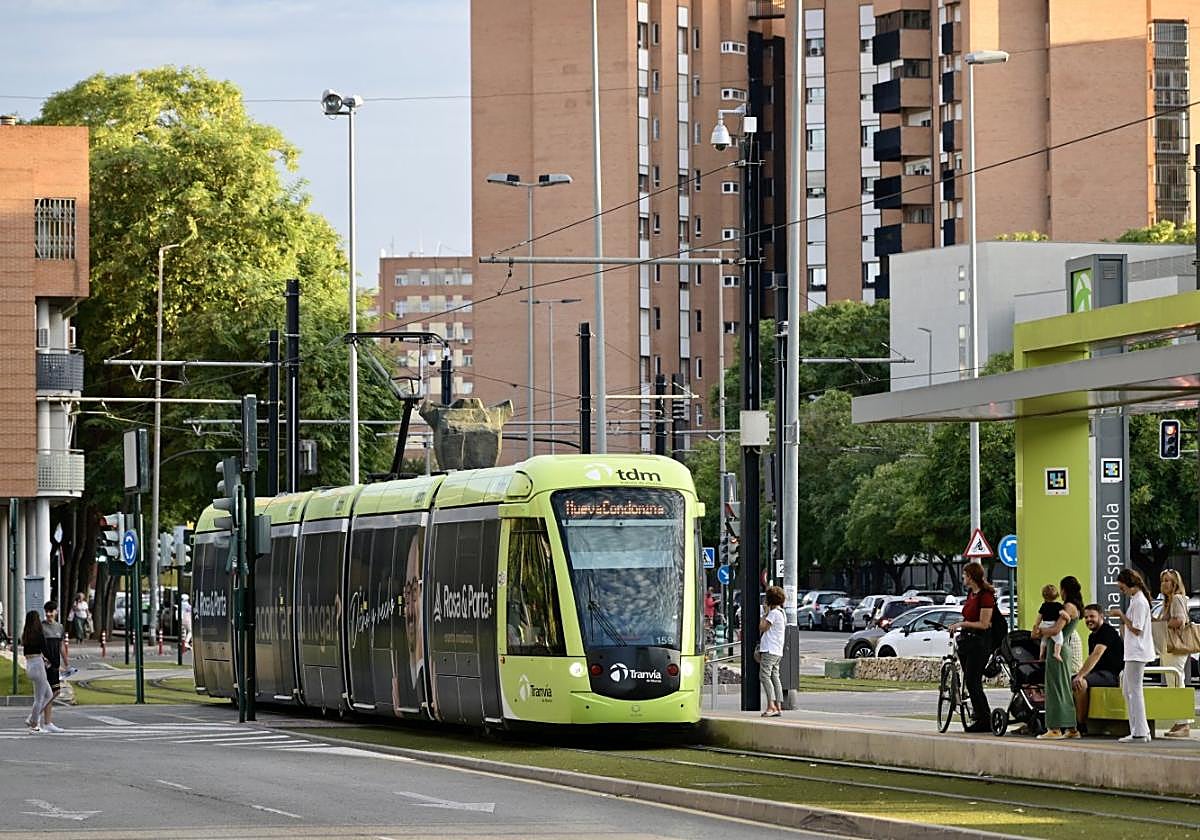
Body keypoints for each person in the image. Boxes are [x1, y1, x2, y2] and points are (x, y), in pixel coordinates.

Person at [1033, 575, 1084, 740]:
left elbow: (1056, 630)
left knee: (1054, 688)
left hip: (1058, 652)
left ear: (1064, 590)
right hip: (1063, 649)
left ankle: (1054, 728)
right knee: (1064, 688)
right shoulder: (1075, 606)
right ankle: (1072, 728)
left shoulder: (1068, 607)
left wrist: (1039, 632)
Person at [948, 562, 995, 733]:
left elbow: (984, 624)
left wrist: (962, 623)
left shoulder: (985, 596)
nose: (963, 578)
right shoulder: (971, 594)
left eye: (964, 575)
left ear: (971, 577)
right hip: (968, 641)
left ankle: (985, 718)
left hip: (980, 643)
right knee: (970, 680)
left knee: (973, 681)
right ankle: (980, 714)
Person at [1110, 568, 1155, 743]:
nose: (1122, 592)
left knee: (1133, 691)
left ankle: (1139, 732)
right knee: (1129, 690)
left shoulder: (1139, 603)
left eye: (1123, 588)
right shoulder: (1137, 601)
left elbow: (1137, 628)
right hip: (1134, 651)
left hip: (1137, 652)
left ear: (1131, 585)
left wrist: (1121, 616)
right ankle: (1139, 729)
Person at [1071, 604, 1124, 729]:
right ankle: (1067, 721)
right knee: (1069, 681)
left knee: (1081, 683)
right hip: (1099, 674)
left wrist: (1080, 675)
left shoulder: (1107, 631)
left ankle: (1081, 724)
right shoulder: (1092, 636)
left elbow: (1096, 655)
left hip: (1112, 675)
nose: (1089, 620)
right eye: (1086, 617)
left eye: (1092, 616)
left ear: (1101, 616)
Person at [1155, 569, 1193, 738]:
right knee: (1173, 682)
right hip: (1170, 647)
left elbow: (1179, 621)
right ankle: (1179, 721)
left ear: (1175, 583)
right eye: (1163, 580)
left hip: (1176, 647)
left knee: (1177, 681)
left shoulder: (1177, 599)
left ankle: (1184, 723)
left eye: (1168, 581)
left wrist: (1162, 623)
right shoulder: (1168, 601)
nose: (1164, 584)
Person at [20, 611, 53, 734]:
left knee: (48, 694)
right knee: (39, 698)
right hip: (38, 665)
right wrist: (53, 662)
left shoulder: (26, 635)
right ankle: (33, 723)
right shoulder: (39, 634)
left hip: (29, 665)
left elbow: (27, 652)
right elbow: (45, 650)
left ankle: (32, 718)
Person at [757, 585, 786, 717]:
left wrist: (764, 613)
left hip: (770, 649)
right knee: (775, 676)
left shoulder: (773, 614)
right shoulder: (782, 613)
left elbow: (762, 627)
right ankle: (779, 706)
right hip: (777, 650)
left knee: (764, 676)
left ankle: (771, 705)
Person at [39, 602, 67, 733]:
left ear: (56, 611)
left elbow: (61, 646)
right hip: (44, 665)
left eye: (51, 611)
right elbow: (38, 646)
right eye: (47, 611)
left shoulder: (60, 627)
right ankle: (37, 718)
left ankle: (47, 722)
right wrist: (44, 660)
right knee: (46, 693)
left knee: (55, 691)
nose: (49, 614)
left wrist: (66, 662)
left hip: (55, 665)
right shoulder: (41, 627)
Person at [1038, 584, 1065, 663]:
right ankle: (1057, 653)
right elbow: (1062, 613)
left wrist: (1037, 625)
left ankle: (1041, 655)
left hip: (1044, 624)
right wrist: (1068, 618)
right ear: (1057, 595)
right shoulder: (1058, 605)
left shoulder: (1043, 605)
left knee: (1043, 641)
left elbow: (1039, 617)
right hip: (1052, 625)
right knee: (1059, 640)